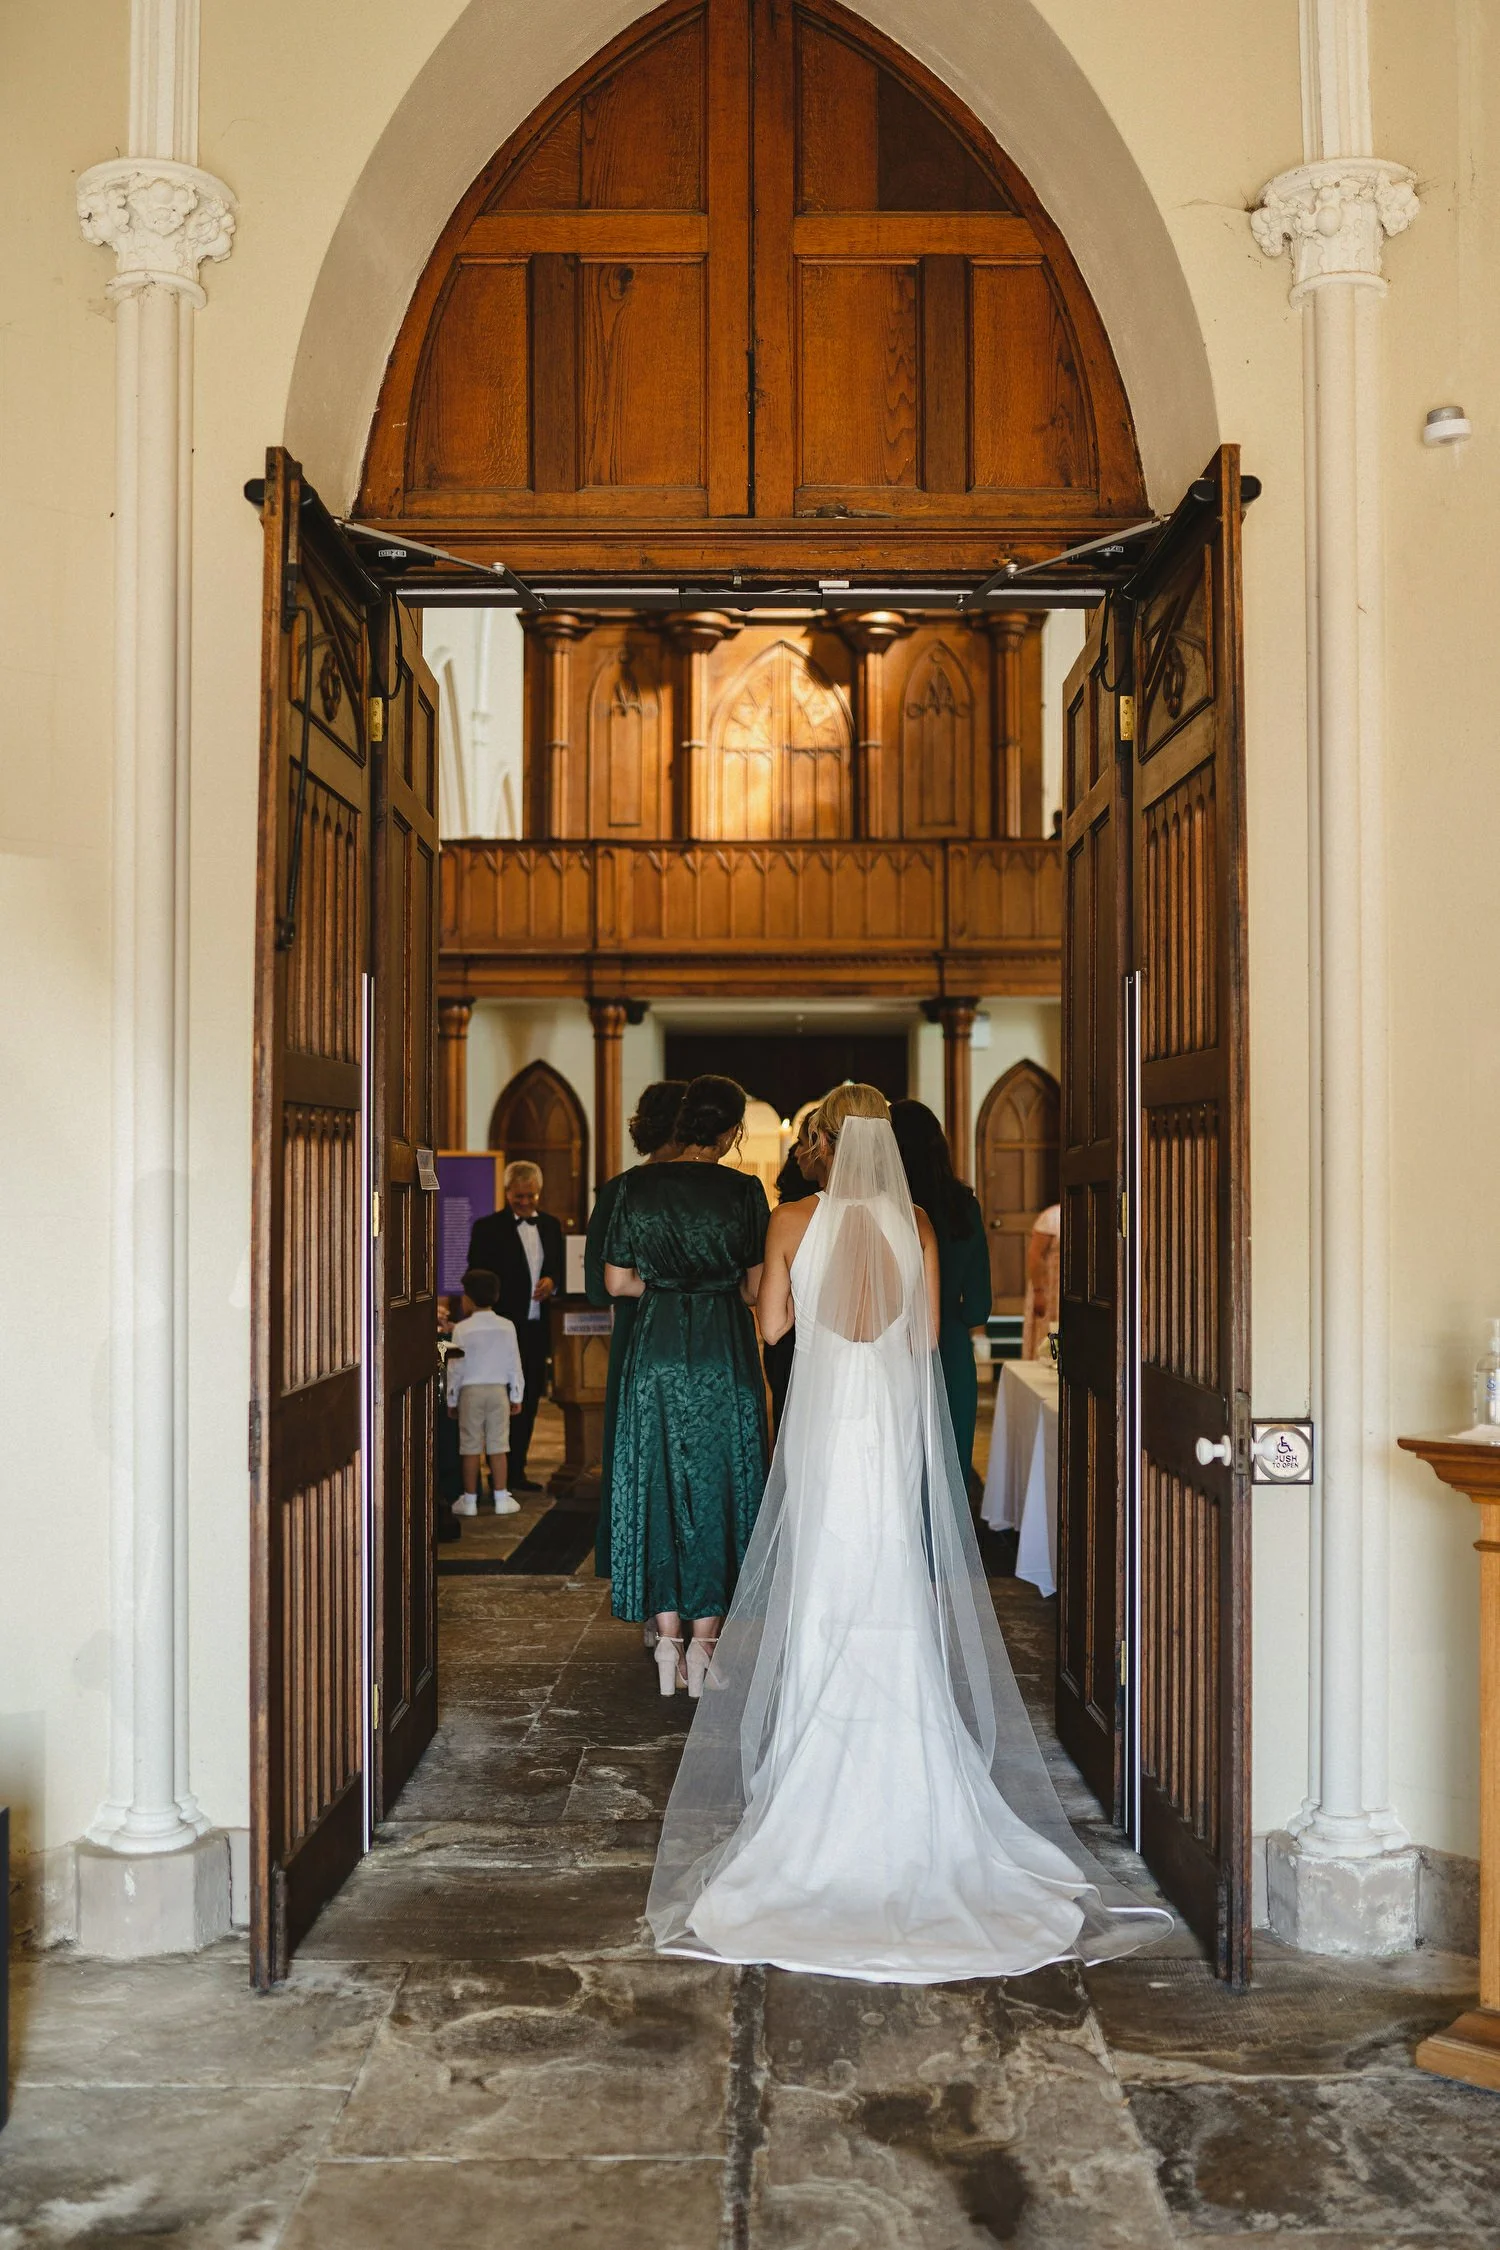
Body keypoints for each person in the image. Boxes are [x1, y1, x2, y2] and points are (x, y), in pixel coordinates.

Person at [645, 1091, 1171, 1982]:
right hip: (885, 1436)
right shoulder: (917, 1223)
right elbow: (926, 1337)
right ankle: (910, 1777)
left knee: (821, 1587)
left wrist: (777, 1292)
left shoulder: (792, 1221)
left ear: (822, 1147)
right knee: (890, 1583)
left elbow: (771, 1327)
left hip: (821, 1433)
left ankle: (815, 1786)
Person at [604, 1074, 769, 1695]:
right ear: (731, 1131)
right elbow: (756, 1290)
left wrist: (670, 1290)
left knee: (657, 1482)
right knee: (721, 1482)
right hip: (723, 1350)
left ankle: (666, 1643)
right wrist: (713, 1289)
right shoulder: (746, 1191)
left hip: (657, 1349)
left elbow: (618, 1284)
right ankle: (705, 1650)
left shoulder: (635, 1187)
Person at [584, 1078, 686, 1583]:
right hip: (677, 1331)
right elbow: (600, 1285)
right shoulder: (625, 1190)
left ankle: (652, 1589)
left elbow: (599, 1285)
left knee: (639, 1453)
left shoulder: (619, 1189)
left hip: (640, 1330)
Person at [889, 1097, 993, 1484]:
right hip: (949, 1348)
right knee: (949, 1471)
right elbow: (978, 1307)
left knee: (897, 1469)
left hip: (889, 1348)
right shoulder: (962, 1205)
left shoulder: (883, 1206)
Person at [466, 1160, 565, 1491]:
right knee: (498, 1401)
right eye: (518, 1196)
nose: (524, 1202)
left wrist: (553, 1281)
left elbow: (561, 1268)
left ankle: (516, 1470)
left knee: (530, 1398)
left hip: (536, 1330)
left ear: (540, 1193)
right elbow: (476, 1275)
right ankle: (492, 1472)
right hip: (499, 1331)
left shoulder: (551, 1226)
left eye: (531, 1196)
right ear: (506, 1192)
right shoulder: (487, 1228)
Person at [445, 1267, 526, 1517]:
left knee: (469, 1447)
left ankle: (469, 1500)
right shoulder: (507, 1326)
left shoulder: (462, 1329)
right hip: (498, 1391)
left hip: (470, 1391)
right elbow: (514, 1362)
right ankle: (501, 1497)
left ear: (467, 1298)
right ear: (497, 1295)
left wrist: (451, 1398)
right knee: (498, 1445)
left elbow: (455, 1367)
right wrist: (516, 1395)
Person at [761, 1113, 818, 1436]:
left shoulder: (786, 1218)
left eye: (802, 1141)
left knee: (790, 1424)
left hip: (792, 1334)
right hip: (799, 1338)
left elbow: (770, 1328)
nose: (795, 1151)